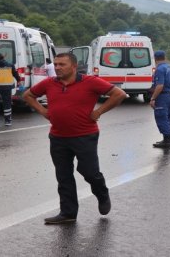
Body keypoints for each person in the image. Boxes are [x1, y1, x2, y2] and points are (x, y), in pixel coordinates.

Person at [23, 53, 126, 225]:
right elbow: (28, 95)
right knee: (63, 176)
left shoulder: (90, 82)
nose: (57, 67)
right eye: (55, 64)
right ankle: (68, 213)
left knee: (89, 172)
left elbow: (119, 94)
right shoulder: (49, 83)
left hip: (85, 136)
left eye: (62, 64)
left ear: (74, 67)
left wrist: (99, 111)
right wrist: (43, 112)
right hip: (58, 137)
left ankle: (102, 193)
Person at [149, 50, 170, 148]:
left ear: (155, 58)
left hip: (163, 96)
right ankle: (168, 139)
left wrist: (153, 98)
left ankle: (167, 140)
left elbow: (159, 86)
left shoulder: (160, 69)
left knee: (161, 117)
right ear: (164, 57)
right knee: (168, 118)